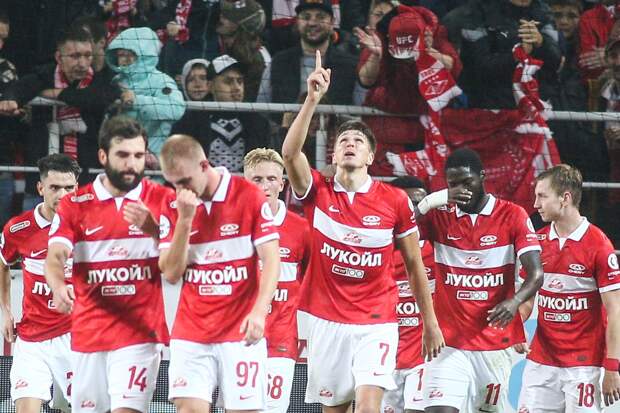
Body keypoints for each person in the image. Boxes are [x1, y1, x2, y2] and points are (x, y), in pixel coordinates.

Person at [281, 51, 443, 413]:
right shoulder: (318, 191)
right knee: (335, 408)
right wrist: (312, 100)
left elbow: (415, 265)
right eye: (343, 141)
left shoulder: (394, 200)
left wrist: (430, 322)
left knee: (369, 405)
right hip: (326, 320)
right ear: (334, 155)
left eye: (358, 141)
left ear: (370, 157)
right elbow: (290, 154)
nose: (350, 144)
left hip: (377, 320)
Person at [44, 115, 171, 413]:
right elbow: (55, 256)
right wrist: (58, 285)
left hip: (141, 334)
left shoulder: (163, 199)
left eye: (138, 155)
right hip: (90, 333)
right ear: (103, 156)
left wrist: (155, 231)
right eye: (123, 155)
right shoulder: (75, 204)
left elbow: (180, 263)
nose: (131, 164)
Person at [413, 148, 544, 413]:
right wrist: (431, 201)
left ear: (482, 176)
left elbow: (536, 274)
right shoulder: (440, 215)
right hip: (448, 344)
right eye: (453, 185)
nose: (461, 190)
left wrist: (514, 302)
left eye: (467, 182)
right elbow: (398, 235)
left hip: (493, 344)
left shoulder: (513, 215)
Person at [158, 134, 281, 413]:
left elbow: (272, 258)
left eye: (185, 181)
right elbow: (172, 273)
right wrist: (185, 221)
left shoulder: (248, 195)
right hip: (191, 332)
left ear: (204, 165)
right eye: (174, 183)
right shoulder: (173, 206)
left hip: (240, 332)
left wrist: (259, 312)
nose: (181, 190)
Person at [516, 164, 620, 411]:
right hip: (541, 362)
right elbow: (527, 299)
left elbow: (615, 311)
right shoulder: (537, 242)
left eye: (542, 196)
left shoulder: (599, 245)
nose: (535, 204)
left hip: (585, 366)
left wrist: (612, 366)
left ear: (565, 198)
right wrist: (515, 326)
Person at [0, 26, 121, 204]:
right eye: (75, 56)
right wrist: (11, 99)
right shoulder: (44, 75)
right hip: (40, 186)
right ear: (59, 58)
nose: (83, 63)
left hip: (85, 184)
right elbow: (21, 87)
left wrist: (58, 94)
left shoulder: (101, 81)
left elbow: (99, 97)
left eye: (87, 55)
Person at [0, 154, 80, 413]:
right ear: (40, 188)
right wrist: (5, 312)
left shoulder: (89, 228)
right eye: (54, 187)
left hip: (76, 337)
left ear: (77, 188)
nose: (62, 195)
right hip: (32, 338)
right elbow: (2, 263)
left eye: (69, 187)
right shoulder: (19, 229)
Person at [243, 148, 311, 413]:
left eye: (272, 179)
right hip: (238, 339)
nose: (265, 186)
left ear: (282, 184)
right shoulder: (232, 224)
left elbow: (310, 278)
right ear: (245, 182)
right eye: (257, 179)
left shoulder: (301, 228)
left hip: (280, 340)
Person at [382, 176, 437, 413]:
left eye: (421, 204)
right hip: (384, 359)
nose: (416, 211)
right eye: (410, 204)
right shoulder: (375, 252)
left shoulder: (439, 252)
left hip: (424, 359)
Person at [172, 55, 272, 172]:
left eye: (240, 81)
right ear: (210, 86)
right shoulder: (190, 121)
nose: (237, 88)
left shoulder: (258, 123)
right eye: (228, 82)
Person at [105, 26, 186, 166]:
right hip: (119, 156)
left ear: (145, 55)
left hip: (152, 160)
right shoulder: (116, 81)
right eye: (121, 55)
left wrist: (137, 101)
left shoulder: (161, 80)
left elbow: (176, 108)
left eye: (131, 54)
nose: (125, 59)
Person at [257, 0, 361, 105]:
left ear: (332, 23)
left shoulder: (351, 65)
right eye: (306, 17)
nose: (312, 23)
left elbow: (361, 106)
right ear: (297, 22)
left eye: (320, 17)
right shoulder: (278, 63)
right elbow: (261, 108)